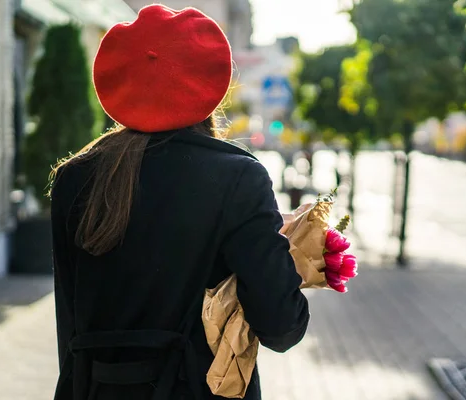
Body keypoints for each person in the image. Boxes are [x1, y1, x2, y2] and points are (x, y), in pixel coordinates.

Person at [50, 4, 309, 400]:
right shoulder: (238, 177)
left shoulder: (75, 177)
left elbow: (70, 327)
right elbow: (281, 326)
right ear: (210, 86)